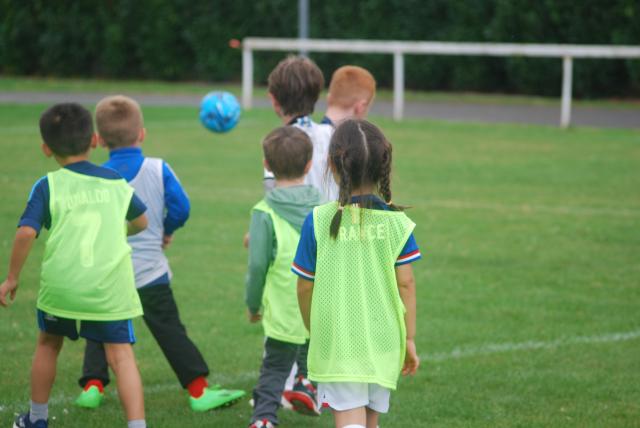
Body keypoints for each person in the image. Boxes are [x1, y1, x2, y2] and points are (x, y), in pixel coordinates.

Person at [73, 95, 245, 412]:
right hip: (150, 270)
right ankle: (199, 390)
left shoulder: (93, 176)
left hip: (106, 273)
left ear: (98, 140)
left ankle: (93, 386)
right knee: (169, 329)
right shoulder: (158, 169)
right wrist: (167, 229)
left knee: (99, 328)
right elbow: (182, 207)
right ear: (142, 134)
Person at [0, 103, 149, 428]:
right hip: (109, 289)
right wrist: (120, 229)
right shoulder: (115, 182)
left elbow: (26, 230)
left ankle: (36, 420)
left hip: (62, 288)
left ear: (46, 148)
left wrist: (12, 277)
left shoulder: (48, 185)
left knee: (48, 344)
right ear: (95, 140)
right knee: (121, 356)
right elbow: (142, 221)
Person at [293, 119, 421, 428]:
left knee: (350, 419)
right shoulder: (397, 223)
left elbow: (304, 288)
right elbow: (406, 284)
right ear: (382, 167)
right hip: (385, 339)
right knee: (370, 421)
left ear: (334, 166)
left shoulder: (318, 220)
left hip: (340, 340)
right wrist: (409, 340)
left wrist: (314, 328)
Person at [246, 127, 323, 428]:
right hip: (318, 303)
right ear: (308, 165)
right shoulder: (325, 208)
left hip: (282, 305)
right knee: (310, 349)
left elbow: (256, 267)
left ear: (267, 164)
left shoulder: (263, 212)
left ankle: (264, 417)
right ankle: (306, 383)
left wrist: (253, 305)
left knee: (275, 365)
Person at [264, 55, 337, 202]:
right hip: (336, 223)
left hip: (299, 224)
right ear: (316, 96)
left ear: (274, 100)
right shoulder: (334, 135)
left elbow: (273, 198)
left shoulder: (277, 144)